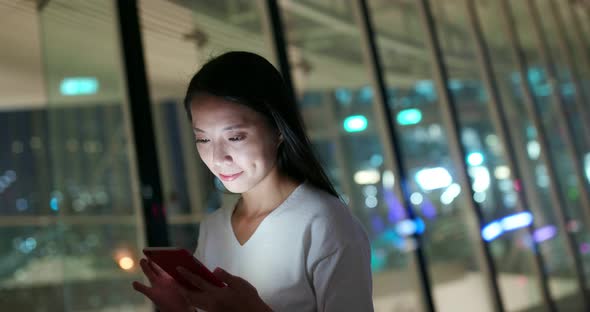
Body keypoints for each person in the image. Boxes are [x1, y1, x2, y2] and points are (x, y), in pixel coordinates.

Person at [132, 51, 373, 312]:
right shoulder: (213, 229)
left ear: (279, 130)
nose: (218, 158)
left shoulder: (323, 222)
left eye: (235, 137)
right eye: (203, 139)